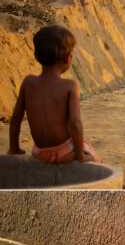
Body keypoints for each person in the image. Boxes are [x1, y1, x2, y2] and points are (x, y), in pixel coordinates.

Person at [7, 24, 99, 163]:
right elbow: (75, 124)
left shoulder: (28, 83)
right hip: (64, 154)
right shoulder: (70, 86)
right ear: (68, 58)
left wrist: (14, 149)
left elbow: (15, 119)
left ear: (36, 56)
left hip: (39, 153)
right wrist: (79, 156)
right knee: (95, 159)